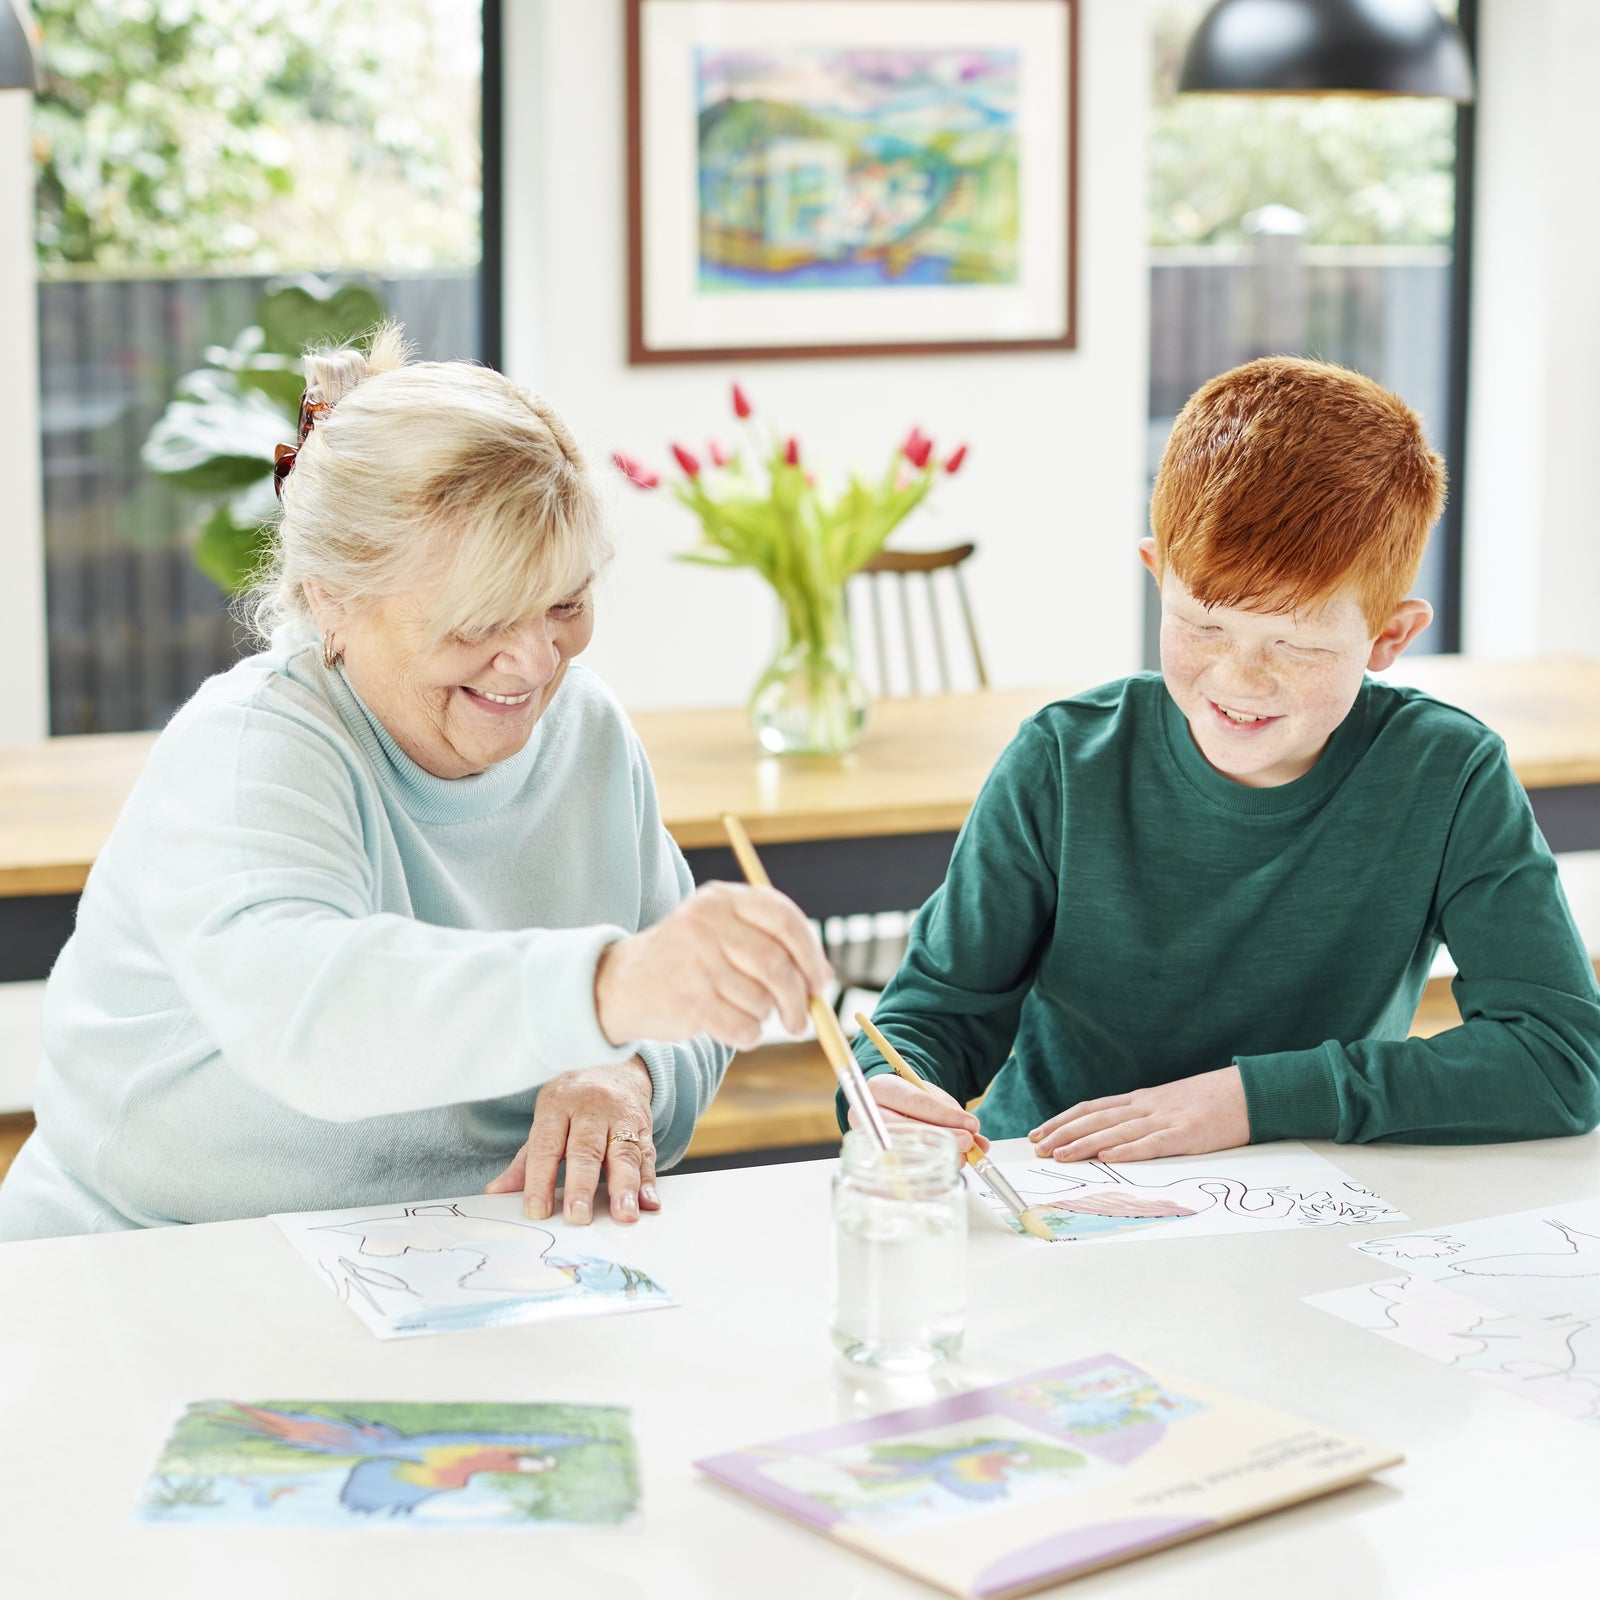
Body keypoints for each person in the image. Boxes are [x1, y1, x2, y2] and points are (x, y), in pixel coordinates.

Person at [0, 325, 830, 1242]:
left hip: (454, 1262)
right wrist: (609, 993)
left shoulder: (585, 729)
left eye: (564, 601)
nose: (532, 660)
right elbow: (314, 1017)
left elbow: (676, 1001)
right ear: (331, 596)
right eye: (479, 619)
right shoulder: (247, 751)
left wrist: (625, 1068)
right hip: (151, 1260)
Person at [849, 356, 1600, 1158]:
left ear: (1389, 638)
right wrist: (888, 1087)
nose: (1240, 679)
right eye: (1203, 624)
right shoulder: (1063, 759)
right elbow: (933, 1016)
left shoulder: (1449, 775)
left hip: (1311, 1205)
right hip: (1055, 1188)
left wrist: (1254, 1098)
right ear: (1157, 576)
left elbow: (1560, 1059)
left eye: (1297, 643)